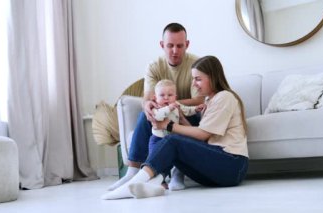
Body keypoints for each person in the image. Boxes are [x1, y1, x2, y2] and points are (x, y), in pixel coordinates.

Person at [101, 55, 249, 200]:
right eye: (193, 79)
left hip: (232, 165)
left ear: (212, 77)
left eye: (198, 79)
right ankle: (154, 184)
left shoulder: (225, 97)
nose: (194, 84)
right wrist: (180, 117)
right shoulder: (210, 100)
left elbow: (203, 135)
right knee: (170, 139)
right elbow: (202, 139)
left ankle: (133, 183)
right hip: (217, 168)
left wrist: (168, 125)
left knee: (172, 140)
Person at [107, 22, 204, 191]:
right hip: (162, 114)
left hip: (187, 116)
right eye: (170, 45)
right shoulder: (154, 66)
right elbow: (147, 98)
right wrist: (149, 106)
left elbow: (199, 100)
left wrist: (173, 106)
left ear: (187, 45)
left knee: (192, 115)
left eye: (180, 46)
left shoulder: (196, 65)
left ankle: (178, 172)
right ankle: (132, 172)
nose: (175, 51)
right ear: (162, 45)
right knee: (145, 115)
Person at [150, 79, 205, 190]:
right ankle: (159, 181)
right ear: (155, 98)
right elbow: (158, 117)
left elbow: (186, 110)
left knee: (170, 159)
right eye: (162, 95)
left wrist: (196, 109)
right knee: (157, 160)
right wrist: (168, 108)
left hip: (172, 138)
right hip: (157, 139)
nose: (166, 98)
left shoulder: (177, 105)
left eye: (170, 95)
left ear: (175, 96)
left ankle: (172, 176)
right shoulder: (156, 108)